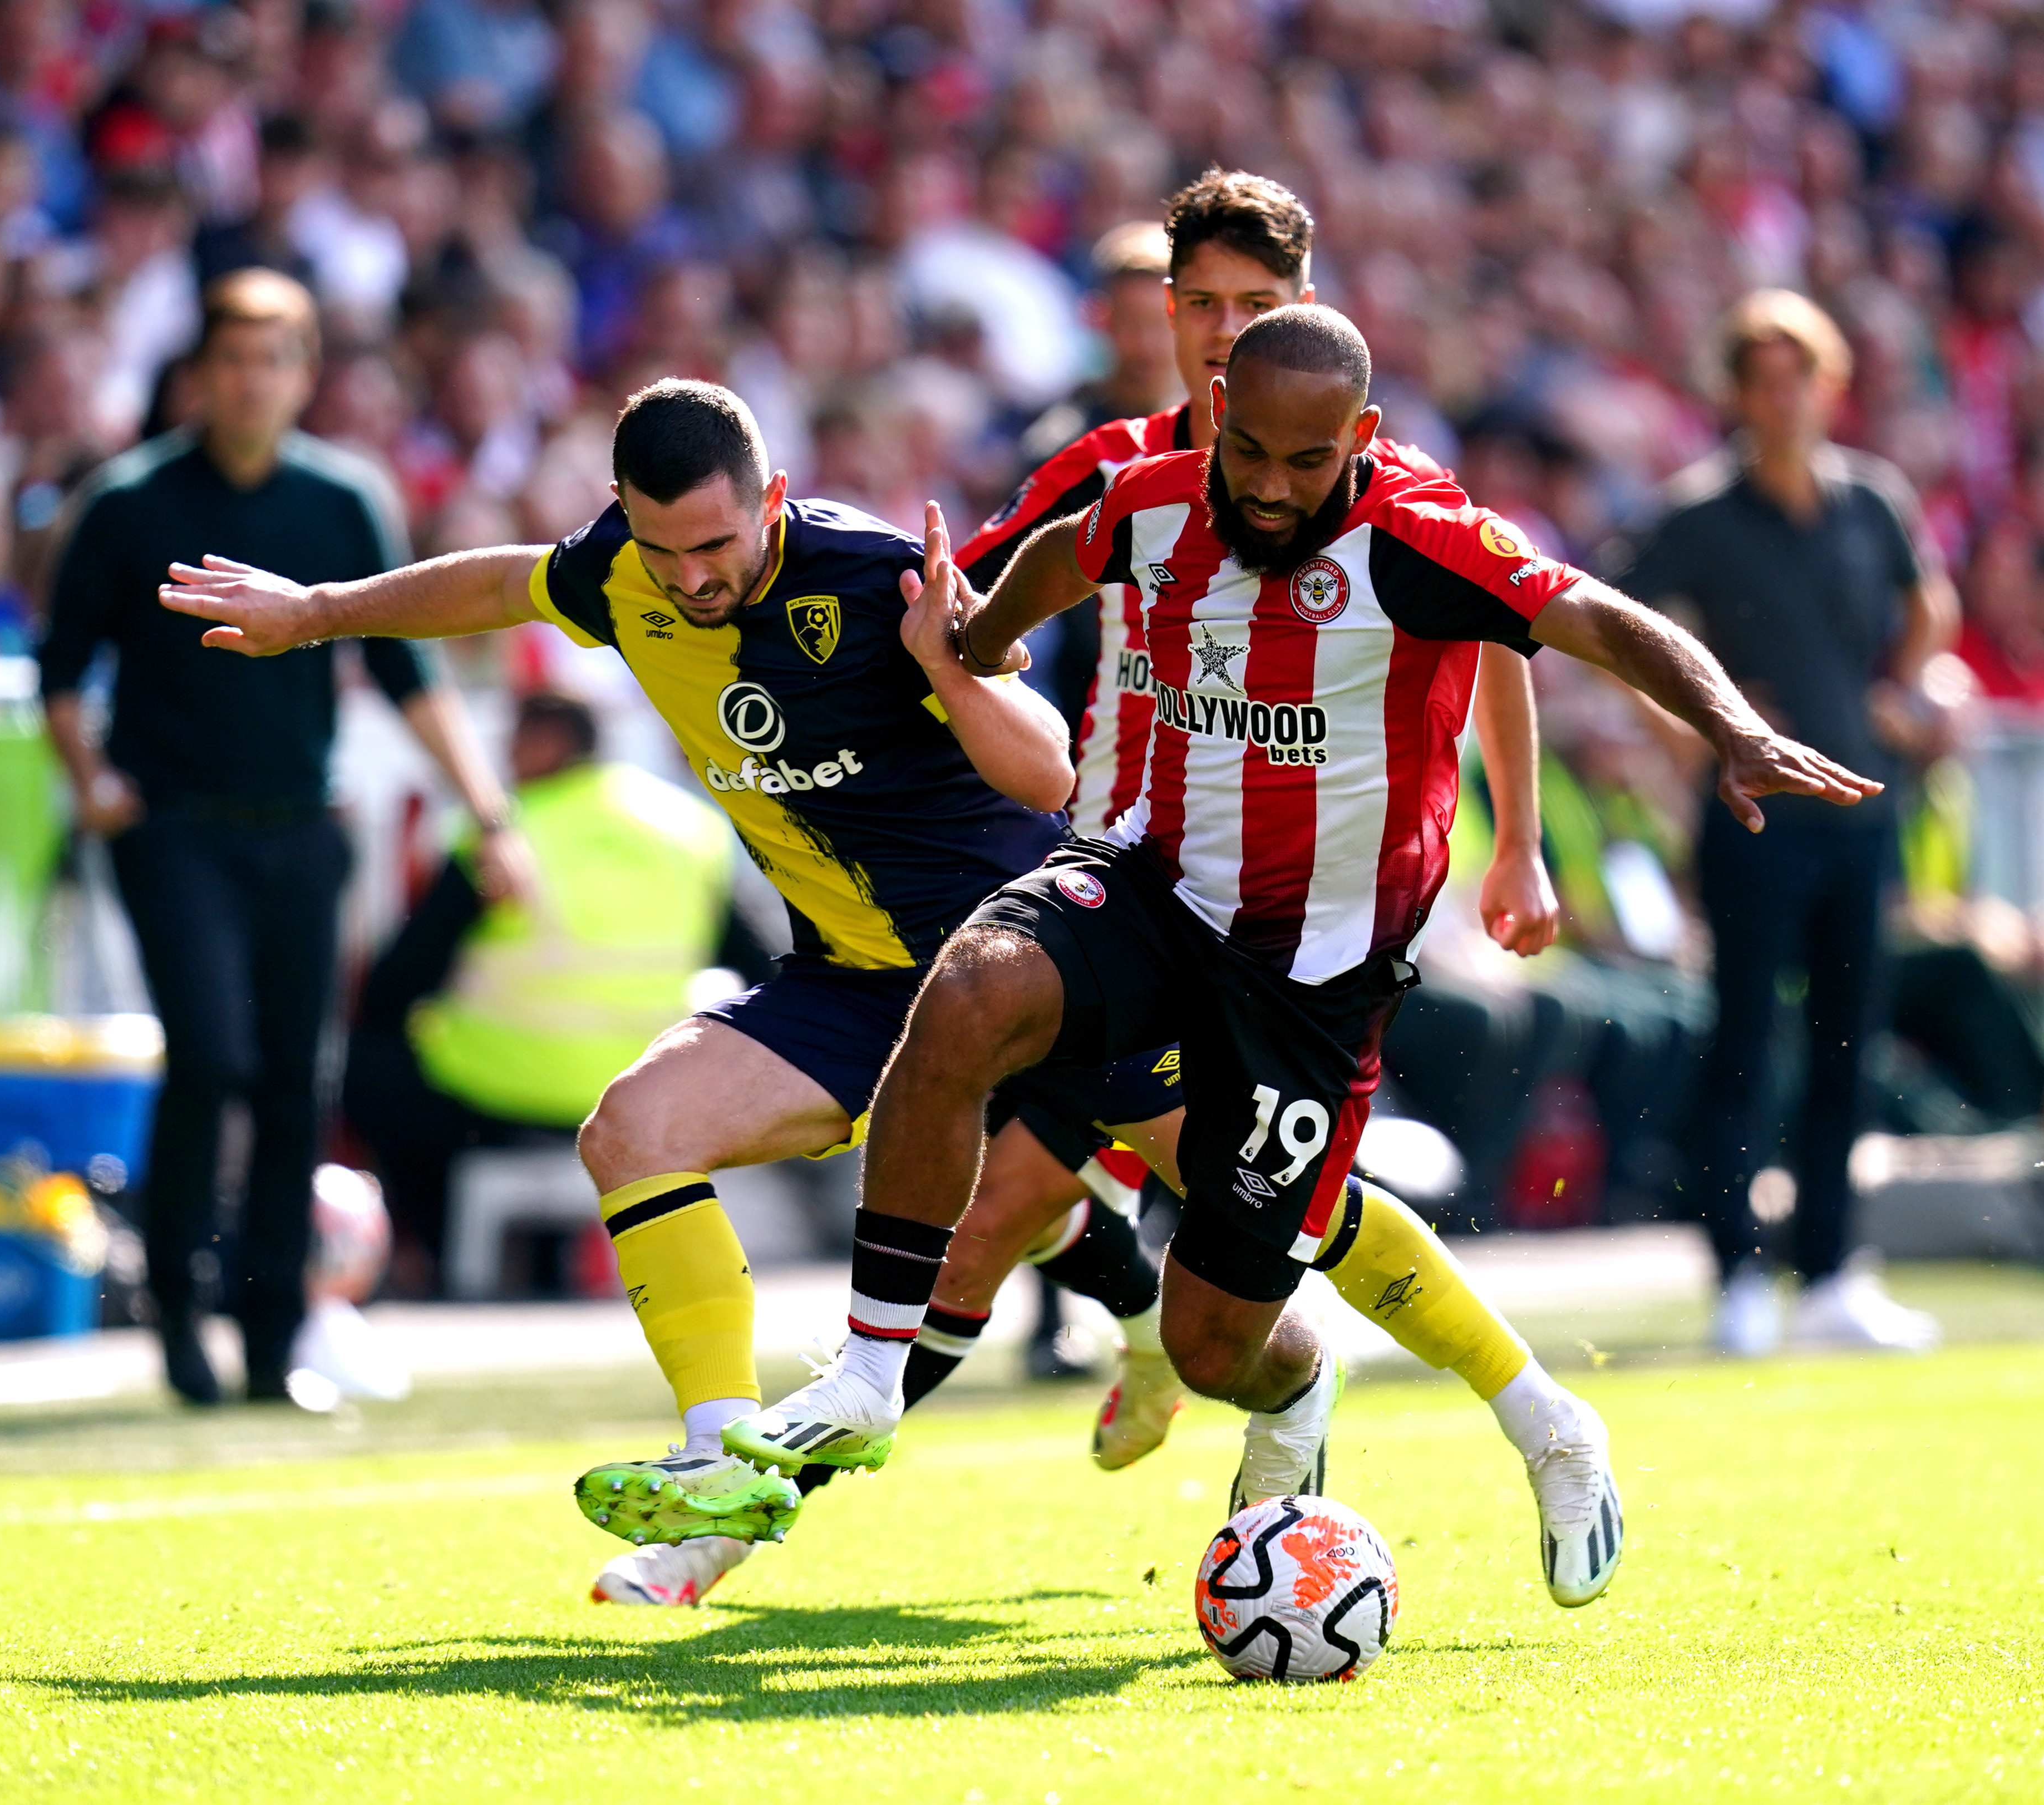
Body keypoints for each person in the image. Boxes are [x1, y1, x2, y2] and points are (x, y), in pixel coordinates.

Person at [736, 305, 1882, 1611]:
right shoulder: (1157, 504)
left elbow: (1593, 617)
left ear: (1361, 440)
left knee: (1214, 1338)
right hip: (1151, 891)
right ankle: (868, 1371)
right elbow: (1073, 549)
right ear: (1218, 419)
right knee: (970, 988)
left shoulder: (1415, 537)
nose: (1272, 488)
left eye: (1306, 460)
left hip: (1311, 984)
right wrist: (984, 636)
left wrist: (1728, 725)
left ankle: (1386, 1406)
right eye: (1252, 454)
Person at [160, 377, 1184, 1610]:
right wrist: (319, 611)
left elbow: (1048, 773)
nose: (692, 577)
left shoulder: (874, 576)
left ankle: (1319, 1422)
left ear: (775, 502)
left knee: (1271, 1229)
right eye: (663, 548)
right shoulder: (622, 572)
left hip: (1023, 971)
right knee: (633, 1130)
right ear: (621, 517)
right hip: (859, 986)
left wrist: (953, 669)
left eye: (718, 544)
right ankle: (716, 1459)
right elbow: (498, 584)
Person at [926, 168, 1565, 1495]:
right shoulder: (1109, 467)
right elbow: (961, 600)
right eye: (1204, 304)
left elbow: (1508, 635)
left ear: (1306, 312)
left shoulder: (1388, 489)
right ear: (1162, 311)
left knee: (1093, 1202)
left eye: (1257, 305)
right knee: (1005, 1198)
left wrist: (1518, 841)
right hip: (1117, 886)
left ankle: (1227, 1351)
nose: (1226, 333)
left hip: (1282, 930)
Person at [35, 269, 523, 1408]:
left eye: (277, 359)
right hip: (174, 827)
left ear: (306, 374)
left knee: (303, 1083)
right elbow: (58, 666)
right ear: (199, 374)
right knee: (210, 1059)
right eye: (234, 360)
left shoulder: (342, 500)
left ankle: (270, 1333)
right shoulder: (128, 501)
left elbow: (409, 668)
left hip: (302, 827)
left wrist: (488, 813)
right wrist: (92, 778)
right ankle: (178, 1316)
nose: (253, 382)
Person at [1619, 291, 1959, 1358]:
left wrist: (1912, 691)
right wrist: (1691, 740)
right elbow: (1625, 633)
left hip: (1860, 810)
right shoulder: (1698, 514)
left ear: (1829, 382)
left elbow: (1926, 605)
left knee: (1845, 1045)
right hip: (1754, 816)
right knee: (1743, 1042)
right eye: (1762, 378)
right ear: (1733, 393)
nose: (1783, 397)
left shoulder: (1871, 500)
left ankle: (1830, 1269)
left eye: (1799, 374)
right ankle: (1735, 1273)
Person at [342, 689, 741, 1288]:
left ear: (549, 743)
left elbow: (396, 985)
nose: (504, 757)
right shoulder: (690, 830)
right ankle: (546, 1258)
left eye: (514, 742)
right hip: (645, 1093)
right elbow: (758, 965)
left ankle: (429, 1254)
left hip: (499, 1090)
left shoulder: (498, 835)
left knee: (371, 1064)